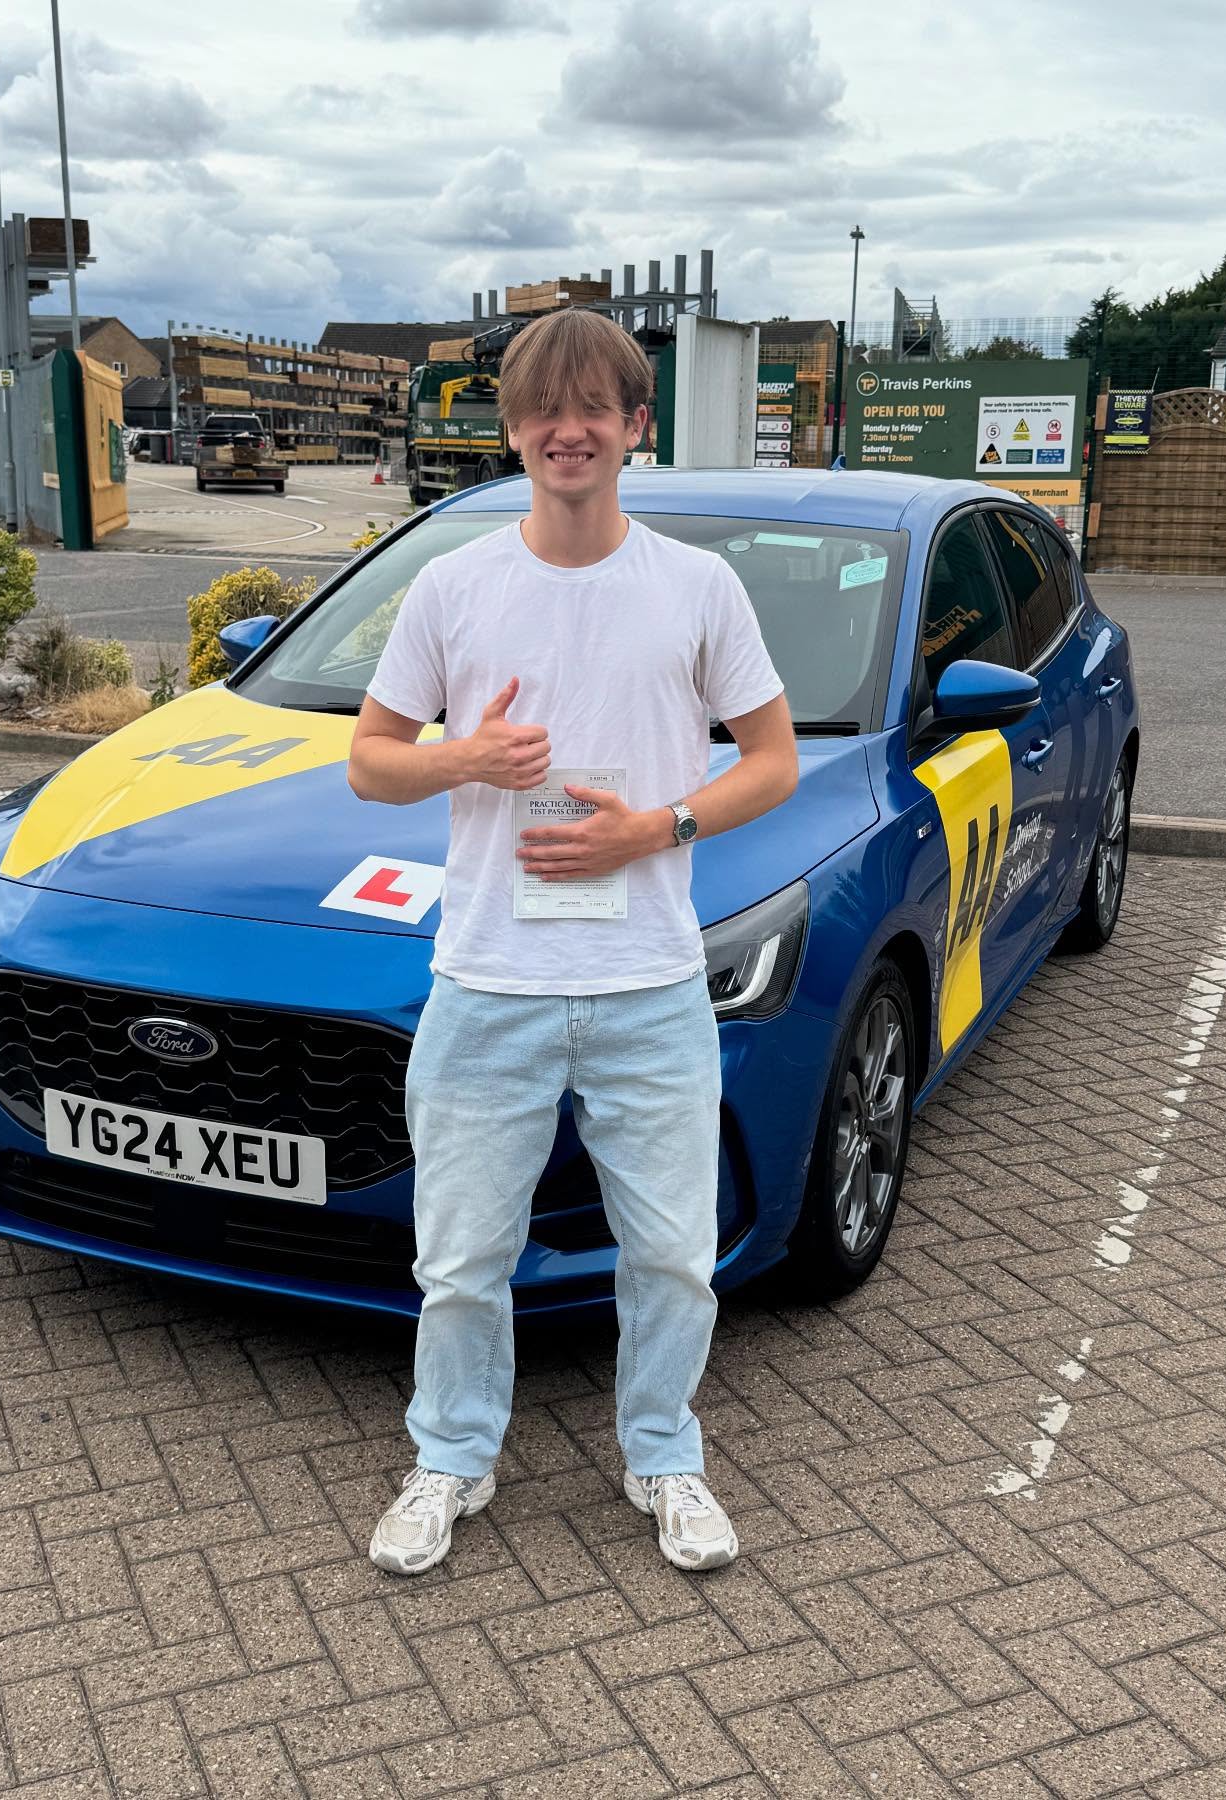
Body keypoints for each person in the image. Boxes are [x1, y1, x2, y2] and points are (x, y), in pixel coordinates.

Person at [348, 308, 797, 1575]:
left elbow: (770, 763)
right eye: (545, 408)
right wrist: (464, 757)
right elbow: (372, 764)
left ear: (635, 426)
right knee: (462, 1257)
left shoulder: (696, 588)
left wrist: (657, 827)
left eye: (596, 406)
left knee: (673, 1255)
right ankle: (451, 1459)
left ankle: (664, 1455)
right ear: (512, 429)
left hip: (650, 982)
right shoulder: (455, 586)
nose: (569, 428)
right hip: (487, 981)